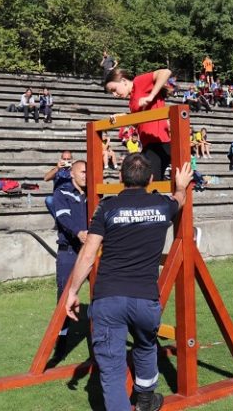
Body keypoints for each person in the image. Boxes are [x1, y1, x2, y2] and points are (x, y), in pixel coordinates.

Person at [64, 155, 192, 411]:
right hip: (145, 298)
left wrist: (72, 291)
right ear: (151, 180)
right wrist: (180, 186)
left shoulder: (107, 207)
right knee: (145, 347)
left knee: (111, 370)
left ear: (121, 178)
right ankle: (146, 400)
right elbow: (179, 200)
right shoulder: (161, 204)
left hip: (109, 298)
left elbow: (88, 254)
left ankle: (139, 401)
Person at [104, 68, 172, 180]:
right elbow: (138, 123)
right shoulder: (131, 101)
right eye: (112, 92)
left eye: (114, 89)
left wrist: (151, 96)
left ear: (124, 81)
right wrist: (124, 117)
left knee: (147, 184)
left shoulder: (138, 82)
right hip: (148, 145)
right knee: (147, 184)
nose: (115, 94)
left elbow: (166, 72)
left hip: (159, 142)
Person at [50, 160, 88, 361]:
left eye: (88, 171)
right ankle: (60, 342)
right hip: (70, 252)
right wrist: (78, 232)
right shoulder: (62, 193)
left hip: (90, 251)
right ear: (72, 174)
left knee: (102, 292)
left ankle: (101, 338)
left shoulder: (93, 194)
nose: (86, 175)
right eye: (82, 171)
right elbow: (64, 219)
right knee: (64, 297)